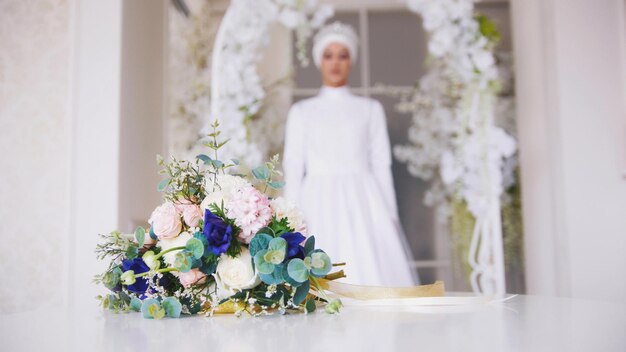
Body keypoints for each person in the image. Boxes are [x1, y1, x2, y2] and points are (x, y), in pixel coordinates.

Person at [283, 22, 418, 286]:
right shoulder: (302, 112)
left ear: (351, 61)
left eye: (342, 55)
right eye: (328, 55)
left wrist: (389, 213)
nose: (335, 63)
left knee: (369, 272)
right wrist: (291, 218)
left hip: (365, 202)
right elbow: (294, 166)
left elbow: (381, 164)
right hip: (316, 201)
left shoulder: (370, 109)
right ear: (319, 60)